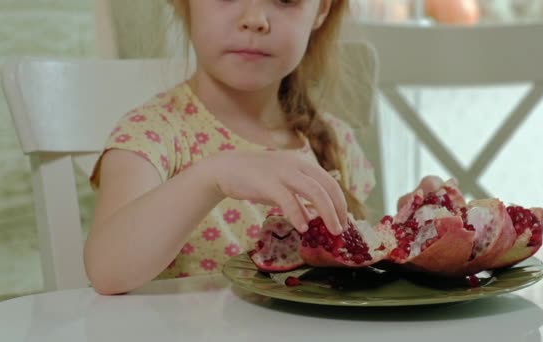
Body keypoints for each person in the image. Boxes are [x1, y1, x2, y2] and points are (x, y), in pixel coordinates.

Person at [84, 0, 379, 295]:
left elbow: (358, 275)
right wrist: (212, 176)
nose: (255, 19)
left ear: (322, 9)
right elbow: (107, 271)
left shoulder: (337, 143)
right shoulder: (153, 132)